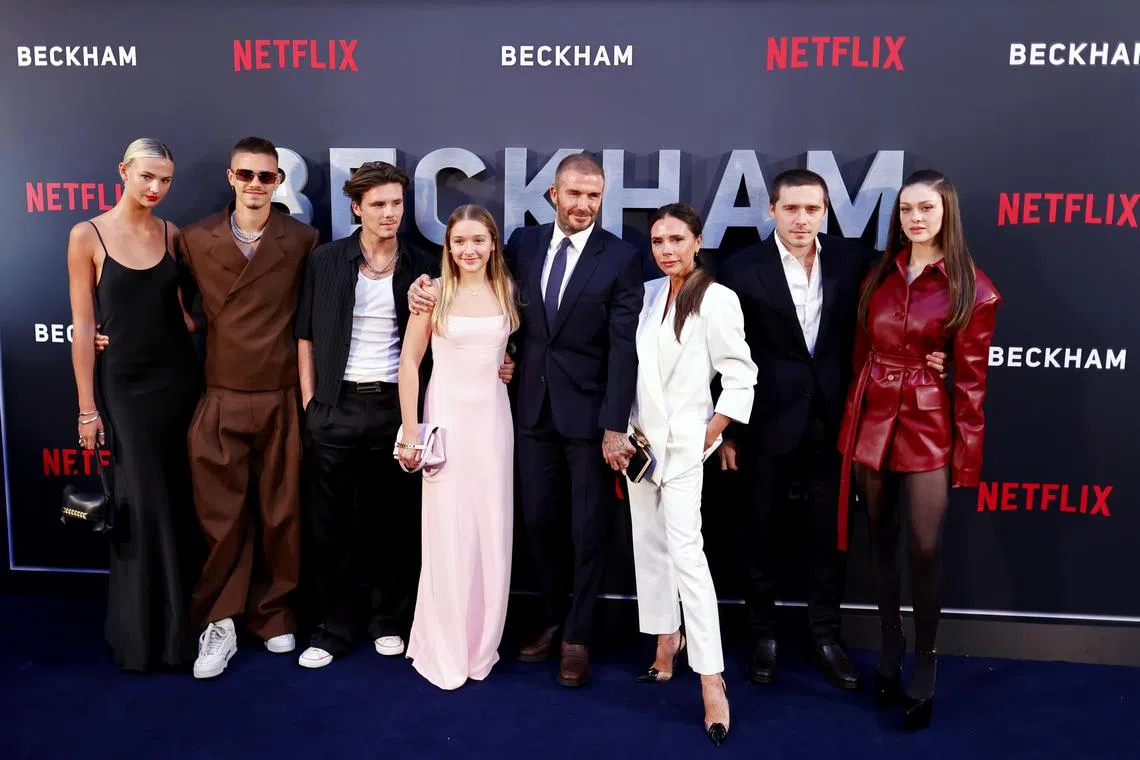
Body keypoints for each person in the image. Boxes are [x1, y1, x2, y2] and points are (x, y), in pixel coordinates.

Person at [409, 152, 643, 687]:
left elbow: (623, 347)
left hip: (589, 419)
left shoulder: (621, 257)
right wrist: (423, 291)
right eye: (574, 193)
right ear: (553, 196)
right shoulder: (524, 243)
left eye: (594, 195)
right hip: (528, 413)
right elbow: (485, 296)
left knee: (588, 530)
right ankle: (552, 619)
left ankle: (578, 637)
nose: (584, 204)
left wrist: (614, 423)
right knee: (538, 523)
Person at [717, 169, 946, 690]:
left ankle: (826, 635)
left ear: (825, 212)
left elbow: (899, 317)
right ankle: (763, 636)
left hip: (837, 422)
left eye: (812, 209)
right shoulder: (738, 268)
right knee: (759, 535)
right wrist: (728, 430)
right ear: (771, 210)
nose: (801, 219)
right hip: (763, 423)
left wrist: (936, 353)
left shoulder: (855, 261)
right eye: (791, 209)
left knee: (830, 537)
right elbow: (721, 354)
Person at [838, 170, 1001, 729]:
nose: (915, 218)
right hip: (872, 420)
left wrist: (967, 458)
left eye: (926, 208)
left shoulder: (974, 289)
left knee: (925, 549)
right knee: (880, 540)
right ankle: (890, 644)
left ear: (946, 213)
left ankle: (926, 660)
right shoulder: (877, 277)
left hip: (930, 427)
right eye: (906, 208)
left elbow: (973, 384)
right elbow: (861, 356)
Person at [180, 136, 319, 679]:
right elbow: (172, 308)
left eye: (267, 176)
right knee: (221, 519)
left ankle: (273, 613)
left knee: (282, 514)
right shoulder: (193, 239)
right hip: (221, 395)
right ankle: (220, 621)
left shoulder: (303, 240)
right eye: (246, 175)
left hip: (281, 394)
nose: (256, 185)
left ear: (280, 181)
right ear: (230, 177)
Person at [292, 162, 439, 668]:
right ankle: (332, 627)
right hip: (335, 405)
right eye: (377, 204)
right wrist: (312, 403)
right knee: (330, 525)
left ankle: (387, 620)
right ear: (356, 208)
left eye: (396, 204)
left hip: (395, 409)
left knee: (395, 523)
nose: (389, 213)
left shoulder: (423, 264)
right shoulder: (327, 260)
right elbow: (305, 336)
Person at [67, 138, 203, 672]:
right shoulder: (88, 234)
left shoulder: (171, 234)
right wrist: (86, 408)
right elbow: (82, 326)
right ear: (123, 171)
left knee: (178, 501)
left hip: (179, 381)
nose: (155, 188)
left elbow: (182, 315)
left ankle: (181, 630)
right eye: (147, 176)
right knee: (142, 506)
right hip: (124, 387)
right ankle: (144, 637)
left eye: (165, 180)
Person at [626, 204, 754, 746]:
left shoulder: (718, 299)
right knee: (648, 548)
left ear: (697, 241)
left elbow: (741, 372)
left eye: (676, 239)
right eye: (657, 241)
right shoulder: (651, 295)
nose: (666, 250)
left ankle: (711, 678)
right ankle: (665, 641)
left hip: (684, 450)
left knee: (688, 558)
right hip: (640, 446)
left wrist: (715, 430)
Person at [396, 205, 520, 690]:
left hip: (493, 423)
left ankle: (481, 644)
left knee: (492, 531)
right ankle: (444, 643)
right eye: (459, 242)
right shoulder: (432, 292)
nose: (469, 250)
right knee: (447, 533)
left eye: (478, 241)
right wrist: (411, 432)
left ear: (493, 245)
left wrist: (506, 361)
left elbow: (502, 352)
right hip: (445, 421)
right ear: (448, 247)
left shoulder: (507, 290)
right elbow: (409, 363)